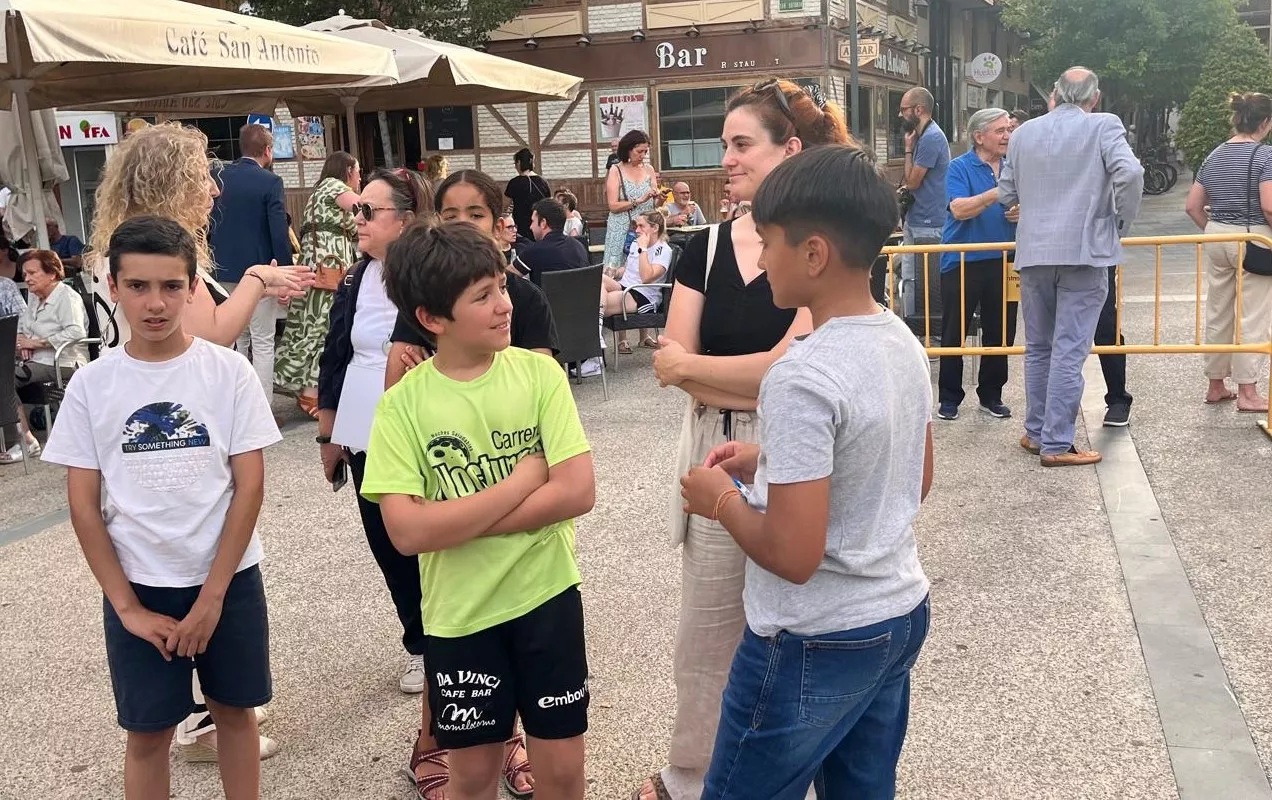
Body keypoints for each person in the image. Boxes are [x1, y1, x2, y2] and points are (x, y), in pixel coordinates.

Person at [680, 142, 932, 800]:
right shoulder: (901, 340)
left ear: (814, 253)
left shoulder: (801, 373)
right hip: (898, 611)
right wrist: (772, 460)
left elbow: (793, 554)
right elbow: (911, 471)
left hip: (813, 635)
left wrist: (720, 500)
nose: (761, 261)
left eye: (768, 243)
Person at [637, 78, 856, 800]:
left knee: (799, 626)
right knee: (707, 634)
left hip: (797, 442)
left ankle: (787, 772)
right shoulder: (702, 246)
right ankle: (693, 773)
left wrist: (705, 370)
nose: (725, 158)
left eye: (741, 144)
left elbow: (785, 373)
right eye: (724, 144)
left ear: (789, 150)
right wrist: (729, 375)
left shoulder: (817, 250)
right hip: (716, 450)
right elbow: (671, 365)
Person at [88, 120, 309, 762]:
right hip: (170, 417)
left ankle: (202, 714)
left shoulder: (124, 248)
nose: (214, 188)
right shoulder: (165, 252)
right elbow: (210, 331)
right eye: (203, 175)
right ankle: (205, 719)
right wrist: (260, 281)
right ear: (174, 181)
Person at [41, 215, 282, 800]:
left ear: (193, 287)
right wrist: (126, 607)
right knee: (147, 733)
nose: (156, 302)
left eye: (172, 286)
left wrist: (214, 594)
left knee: (234, 712)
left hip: (228, 577)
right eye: (139, 286)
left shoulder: (227, 372)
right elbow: (83, 506)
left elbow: (248, 485)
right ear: (112, 287)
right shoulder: (93, 385)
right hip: (140, 583)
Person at [362, 221, 596, 800]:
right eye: (483, 296)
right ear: (431, 318)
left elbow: (577, 492)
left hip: (548, 599)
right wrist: (519, 481)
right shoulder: (400, 407)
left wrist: (458, 521)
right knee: (471, 776)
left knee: (563, 772)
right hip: (460, 619)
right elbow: (408, 532)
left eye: (502, 286)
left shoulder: (540, 374)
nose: (504, 306)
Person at [316, 167, 434, 705]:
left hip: (424, 423)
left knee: (428, 537)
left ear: (406, 221)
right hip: (363, 425)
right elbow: (335, 349)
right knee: (385, 542)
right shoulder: (355, 277)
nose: (356, 220)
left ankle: (448, 636)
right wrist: (327, 429)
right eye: (356, 210)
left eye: (368, 211)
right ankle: (419, 642)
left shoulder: (432, 275)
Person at [999, 67, 1144, 467]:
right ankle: (1057, 443)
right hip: (1085, 250)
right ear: (1093, 98)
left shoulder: (1023, 132)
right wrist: (1118, 223)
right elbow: (1130, 173)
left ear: (1053, 95)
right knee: (1069, 349)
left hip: (1033, 251)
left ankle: (1036, 430)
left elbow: (1007, 192)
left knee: (1040, 347)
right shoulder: (1103, 126)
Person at [1185, 91, 1272, 414]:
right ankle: (1248, 391)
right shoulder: (1265, 157)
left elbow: (1192, 206)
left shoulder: (1215, 155)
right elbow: (1269, 205)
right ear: (1264, 122)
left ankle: (1216, 384)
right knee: (1252, 315)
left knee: (1219, 309)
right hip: (1254, 239)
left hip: (1216, 234)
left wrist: (1213, 228)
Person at [937, 108, 1019, 422]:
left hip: (1006, 259)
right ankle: (949, 398)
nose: (1006, 136)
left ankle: (992, 395)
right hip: (963, 259)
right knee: (954, 330)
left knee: (1001, 331)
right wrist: (995, 194)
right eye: (999, 131)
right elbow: (958, 209)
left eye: (1008, 130)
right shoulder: (958, 167)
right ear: (979, 136)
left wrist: (1020, 211)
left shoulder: (1015, 166)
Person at [207, 123, 295, 397]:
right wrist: (283, 274)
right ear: (268, 150)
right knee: (263, 340)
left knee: (234, 337)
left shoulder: (216, 177)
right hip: (259, 273)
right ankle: (263, 407)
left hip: (220, 268)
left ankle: (234, 400)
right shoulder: (270, 182)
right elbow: (278, 231)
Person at [274, 151, 361, 418]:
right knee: (324, 326)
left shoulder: (317, 191)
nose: (360, 178)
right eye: (358, 172)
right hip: (331, 271)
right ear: (347, 170)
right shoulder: (336, 187)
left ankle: (304, 385)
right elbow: (365, 208)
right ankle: (311, 392)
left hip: (318, 268)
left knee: (308, 325)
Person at [2, 250, 88, 465]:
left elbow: (76, 333)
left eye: (32, 273)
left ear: (52, 274)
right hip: (36, 361)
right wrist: (22, 340)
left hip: (63, 361)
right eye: (25, 274)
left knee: (3, 381)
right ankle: (21, 438)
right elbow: (21, 325)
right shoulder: (34, 296)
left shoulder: (67, 297)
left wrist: (37, 343)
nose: (27, 279)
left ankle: (25, 441)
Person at [899, 86, 951, 331]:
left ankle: (928, 333)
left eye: (903, 109)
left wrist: (907, 149)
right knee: (910, 279)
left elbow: (912, 181)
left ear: (918, 110)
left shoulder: (931, 138)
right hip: (918, 218)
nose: (900, 115)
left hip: (928, 222)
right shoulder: (924, 135)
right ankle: (916, 331)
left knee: (925, 285)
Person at [603, 209, 672, 353]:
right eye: (636, 226)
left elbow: (647, 278)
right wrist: (614, 272)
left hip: (643, 296)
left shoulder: (663, 250)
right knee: (597, 278)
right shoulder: (636, 243)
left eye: (641, 226)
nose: (636, 229)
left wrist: (643, 249)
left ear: (654, 228)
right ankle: (596, 330)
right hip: (625, 286)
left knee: (597, 302)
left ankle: (595, 333)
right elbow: (627, 269)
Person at [604, 130, 664, 270]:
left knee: (642, 268)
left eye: (645, 152)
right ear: (628, 149)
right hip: (621, 228)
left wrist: (660, 199)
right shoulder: (616, 170)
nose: (643, 155)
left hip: (645, 227)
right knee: (615, 268)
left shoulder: (649, 169)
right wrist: (639, 201)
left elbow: (654, 205)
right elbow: (612, 205)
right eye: (639, 151)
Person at [522, 198, 589, 285]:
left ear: (543, 223)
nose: (530, 226)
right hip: (581, 297)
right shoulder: (579, 246)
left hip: (546, 298)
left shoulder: (533, 250)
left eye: (532, 221)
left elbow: (506, 275)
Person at [505, 148, 551, 238]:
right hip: (541, 226)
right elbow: (549, 203)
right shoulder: (543, 182)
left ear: (518, 163)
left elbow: (506, 205)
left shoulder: (514, 183)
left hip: (521, 228)